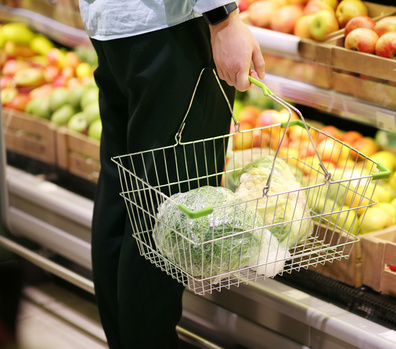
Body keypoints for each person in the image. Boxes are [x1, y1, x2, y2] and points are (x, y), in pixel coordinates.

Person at [77, 1, 265, 348]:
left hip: (115, 27)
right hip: (171, 29)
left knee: (125, 196)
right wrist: (223, 18)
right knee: (170, 215)